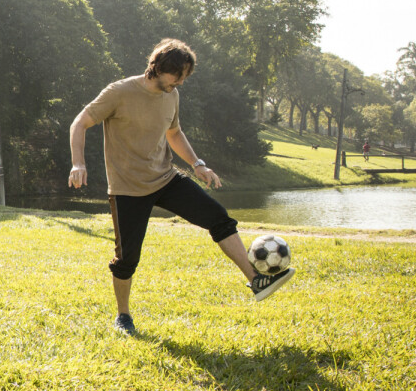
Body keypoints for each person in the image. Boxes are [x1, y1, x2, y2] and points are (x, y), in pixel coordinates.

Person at [67, 38, 294, 334]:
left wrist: (197, 164)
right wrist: (78, 163)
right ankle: (123, 316)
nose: (182, 82)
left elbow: (174, 133)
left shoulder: (171, 95)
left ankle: (256, 279)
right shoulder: (119, 92)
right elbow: (79, 123)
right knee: (127, 259)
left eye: (185, 76)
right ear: (159, 67)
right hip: (127, 189)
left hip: (165, 178)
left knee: (219, 218)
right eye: (178, 75)